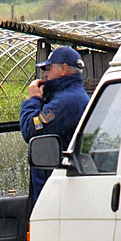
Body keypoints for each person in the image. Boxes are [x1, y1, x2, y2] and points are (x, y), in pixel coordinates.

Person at [19, 46, 90, 203]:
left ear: (63, 69)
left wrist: (33, 100)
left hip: (57, 190)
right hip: (60, 185)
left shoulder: (66, 102)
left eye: (48, 68)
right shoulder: (72, 96)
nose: (45, 74)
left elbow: (30, 130)